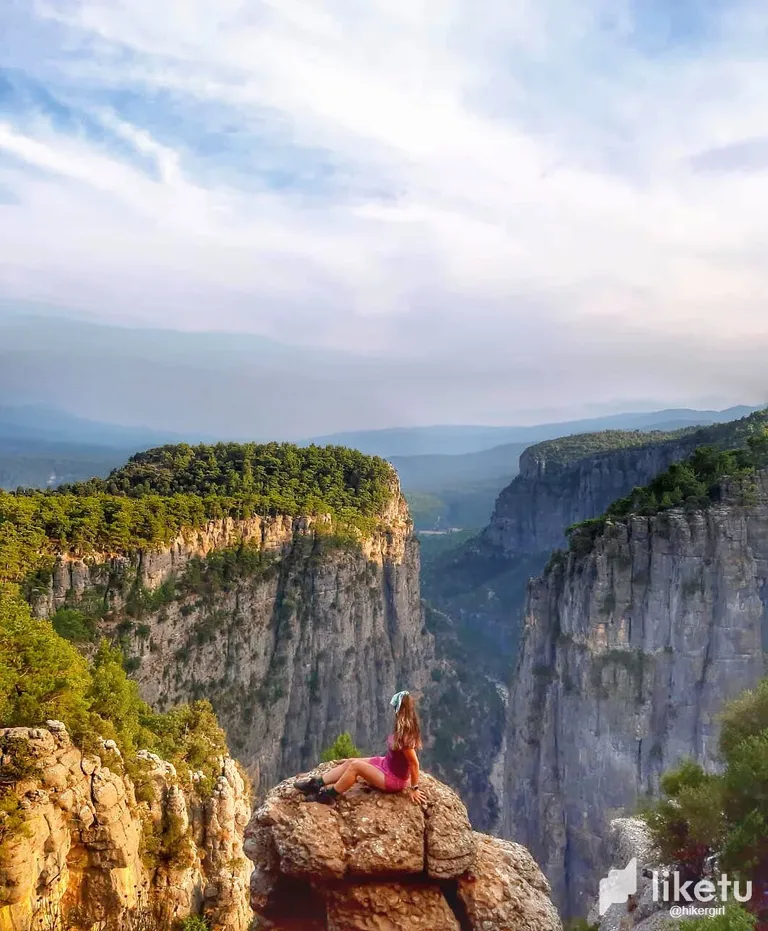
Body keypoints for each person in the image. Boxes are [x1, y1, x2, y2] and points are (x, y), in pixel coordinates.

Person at [294, 690, 424, 805]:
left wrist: (414, 789)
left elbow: (414, 763)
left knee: (355, 767)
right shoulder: (402, 727)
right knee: (351, 761)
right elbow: (395, 757)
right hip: (386, 764)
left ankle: (329, 796)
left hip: (393, 779)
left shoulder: (405, 735)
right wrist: (363, 759)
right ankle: (316, 784)